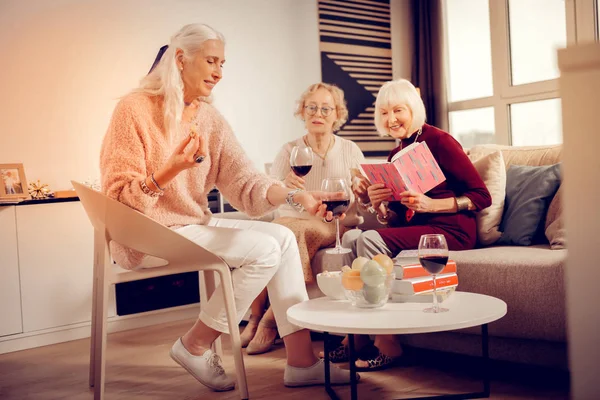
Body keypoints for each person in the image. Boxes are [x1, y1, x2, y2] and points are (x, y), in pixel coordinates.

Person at [100, 23, 355, 392]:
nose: (219, 72)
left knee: (282, 236)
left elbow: (246, 182)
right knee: (267, 248)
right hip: (147, 230)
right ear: (181, 59)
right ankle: (195, 344)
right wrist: (171, 169)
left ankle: (300, 361)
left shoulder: (208, 118)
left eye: (223, 63)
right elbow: (119, 196)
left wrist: (295, 196)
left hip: (190, 224)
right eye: (211, 61)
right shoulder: (134, 109)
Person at [331, 78, 492, 371]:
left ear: (413, 109)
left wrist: (434, 204)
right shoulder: (396, 154)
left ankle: (385, 341)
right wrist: (376, 203)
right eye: (384, 113)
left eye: (398, 110)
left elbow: (482, 196)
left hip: (451, 230)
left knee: (367, 240)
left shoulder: (440, 141)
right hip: (421, 231)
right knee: (355, 237)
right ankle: (358, 333)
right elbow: (396, 218)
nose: (391, 119)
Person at [239, 83, 366, 355]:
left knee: (292, 235)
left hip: (332, 220)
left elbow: (356, 194)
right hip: (292, 217)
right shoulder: (289, 151)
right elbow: (270, 194)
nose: (317, 113)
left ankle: (269, 322)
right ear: (303, 112)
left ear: (337, 115)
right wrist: (284, 184)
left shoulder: (350, 150)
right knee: (269, 237)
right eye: (311, 107)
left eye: (325, 108)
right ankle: (254, 316)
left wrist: (358, 191)